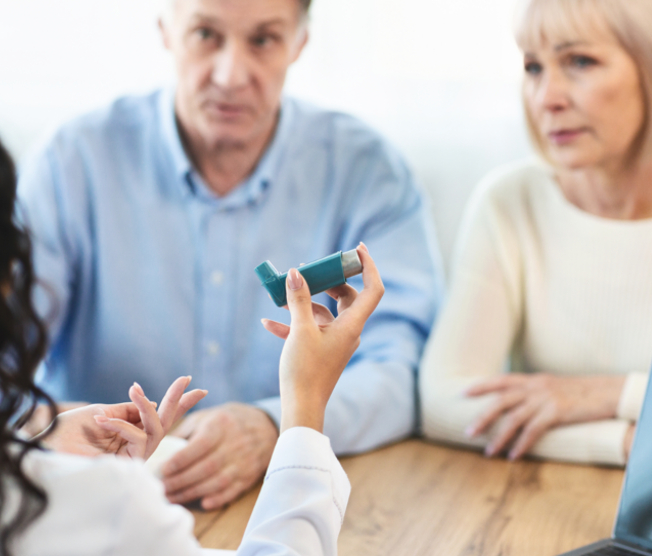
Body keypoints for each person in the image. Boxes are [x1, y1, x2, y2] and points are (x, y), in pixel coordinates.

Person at [17, 0, 442, 509]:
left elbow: (403, 372)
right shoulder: (72, 162)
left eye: (263, 39)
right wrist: (50, 425)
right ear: (166, 32)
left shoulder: (369, 170)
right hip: (93, 505)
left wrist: (274, 424)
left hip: (293, 498)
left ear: (300, 42)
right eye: (206, 35)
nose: (230, 74)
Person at [1, 137, 386, 556]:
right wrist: (304, 408)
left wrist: (39, 454)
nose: (229, 76)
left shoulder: (359, 160)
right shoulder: (110, 501)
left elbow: (397, 363)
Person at [419, 0, 652, 467]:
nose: (547, 97)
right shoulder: (510, 202)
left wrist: (612, 394)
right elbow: (444, 404)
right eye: (533, 67)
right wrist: (627, 443)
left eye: (580, 61)